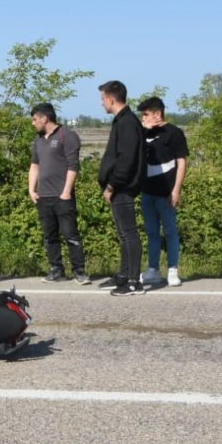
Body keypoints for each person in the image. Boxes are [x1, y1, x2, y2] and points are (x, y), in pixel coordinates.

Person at [28, 103, 89, 284]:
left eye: (34, 119)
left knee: (70, 234)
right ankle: (56, 270)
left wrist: (66, 191)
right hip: (43, 195)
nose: (33, 123)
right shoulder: (38, 140)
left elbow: (73, 166)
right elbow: (34, 166)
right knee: (50, 236)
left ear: (44, 118)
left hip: (62, 195)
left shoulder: (67, 136)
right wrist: (31, 189)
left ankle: (79, 271)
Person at [97, 80, 145, 296]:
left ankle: (134, 281)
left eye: (102, 99)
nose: (101, 103)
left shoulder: (127, 123)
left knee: (129, 234)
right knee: (123, 235)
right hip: (119, 187)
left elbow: (126, 160)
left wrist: (112, 185)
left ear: (111, 98)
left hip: (123, 187)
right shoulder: (121, 121)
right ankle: (123, 275)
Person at [138, 96, 188, 287]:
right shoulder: (144, 133)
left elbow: (182, 162)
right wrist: (145, 130)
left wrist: (177, 189)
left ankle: (173, 270)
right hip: (147, 192)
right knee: (151, 232)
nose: (144, 118)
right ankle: (153, 270)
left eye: (146, 115)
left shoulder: (174, 133)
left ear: (157, 113)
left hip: (166, 192)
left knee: (170, 231)